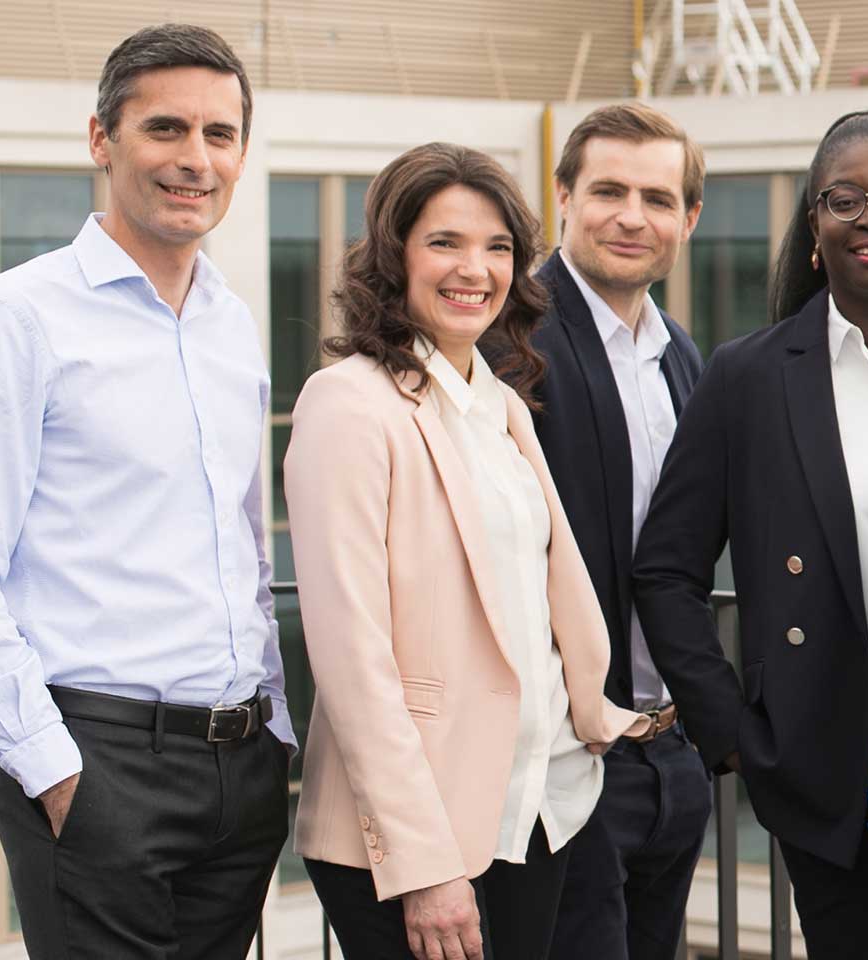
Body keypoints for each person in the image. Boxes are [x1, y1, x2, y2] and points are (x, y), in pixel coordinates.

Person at [0, 23, 294, 958]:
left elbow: (246, 545)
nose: (195, 160)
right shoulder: (16, 317)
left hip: (241, 770)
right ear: (101, 139)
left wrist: (277, 730)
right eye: (166, 129)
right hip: (97, 764)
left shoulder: (230, 322)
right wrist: (55, 773)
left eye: (219, 135)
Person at [285, 142, 647, 960]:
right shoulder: (349, 405)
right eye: (444, 242)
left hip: (536, 807)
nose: (473, 269)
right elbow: (351, 660)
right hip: (421, 838)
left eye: (497, 248)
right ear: (393, 258)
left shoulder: (503, 404)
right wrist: (424, 867)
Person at [632, 107, 868, 959]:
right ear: (814, 226)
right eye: (843, 199)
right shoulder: (750, 375)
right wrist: (735, 736)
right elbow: (666, 568)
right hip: (828, 754)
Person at [516, 102, 710, 960]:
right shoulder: (508, 338)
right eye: (608, 190)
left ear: (689, 219)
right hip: (563, 753)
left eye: (659, 198)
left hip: (668, 752)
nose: (634, 217)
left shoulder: (684, 357)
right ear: (563, 196)